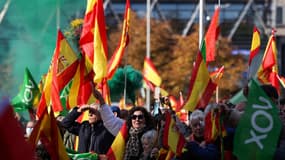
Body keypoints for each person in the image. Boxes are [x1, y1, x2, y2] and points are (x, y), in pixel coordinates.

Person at [92, 88, 156, 160]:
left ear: (145, 119)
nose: (137, 119)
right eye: (134, 117)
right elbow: (110, 120)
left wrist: (155, 152)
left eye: (140, 117)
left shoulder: (151, 134)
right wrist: (100, 98)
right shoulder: (126, 130)